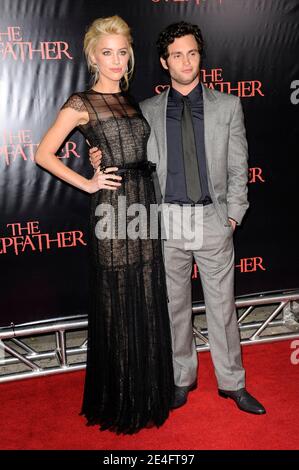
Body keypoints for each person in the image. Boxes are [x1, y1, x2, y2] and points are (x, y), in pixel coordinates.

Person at [90, 21, 266, 415]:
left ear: (200, 57)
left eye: (192, 53)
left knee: (223, 307)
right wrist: (99, 156)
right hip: (167, 221)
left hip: (212, 219)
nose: (185, 61)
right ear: (164, 63)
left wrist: (233, 216)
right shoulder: (147, 110)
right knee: (173, 309)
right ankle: (181, 379)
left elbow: (240, 168)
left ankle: (232, 383)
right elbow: (127, 152)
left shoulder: (227, 105)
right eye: (176, 55)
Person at [35, 15, 174, 434]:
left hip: (144, 201)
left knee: (146, 289)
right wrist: (89, 180)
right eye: (107, 52)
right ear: (93, 56)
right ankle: (119, 398)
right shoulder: (81, 103)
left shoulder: (132, 100)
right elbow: (44, 153)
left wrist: (101, 156)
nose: (116, 60)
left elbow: (131, 146)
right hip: (111, 207)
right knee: (116, 295)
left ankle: (148, 392)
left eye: (122, 51)